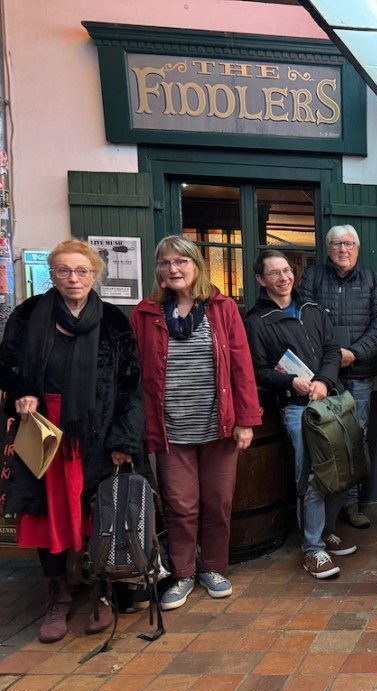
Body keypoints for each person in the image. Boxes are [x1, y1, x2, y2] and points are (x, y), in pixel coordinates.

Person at [0, 240, 144, 642]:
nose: (73, 278)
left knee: (101, 514)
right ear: (52, 274)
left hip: (98, 433)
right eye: (63, 270)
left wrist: (124, 439)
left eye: (81, 271)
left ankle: (102, 590)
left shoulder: (114, 320)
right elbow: (7, 366)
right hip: (44, 431)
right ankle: (58, 596)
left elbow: (130, 385)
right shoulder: (28, 314)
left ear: (94, 274)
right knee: (47, 513)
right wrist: (21, 395)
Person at [131, 235, 261, 611]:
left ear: (196, 265)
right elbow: (135, 373)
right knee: (180, 505)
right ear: (158, 269)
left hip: (218, 426)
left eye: (181, 261)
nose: (173, 269)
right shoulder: (145, 314)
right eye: (165, 263)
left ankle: (214, 567)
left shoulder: (222, 308)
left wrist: (246, 420)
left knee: (218, 502)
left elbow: (242, 366)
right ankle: (183, 573)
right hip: (170, 429)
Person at [244, 250, 357, 580]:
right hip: (297, 407)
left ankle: (326, 531)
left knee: (343, 468)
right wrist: (290, 382)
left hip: (331, 399)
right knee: (313, 475)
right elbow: (258, 370)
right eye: (274, 273)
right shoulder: (256, 321)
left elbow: (332, 351)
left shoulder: (311, 309)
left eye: (287, 271)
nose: (283, 278)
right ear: (261, 279)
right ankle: (312, 549)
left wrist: (323, 380)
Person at [298, 225, 377, 530]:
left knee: (354, 438)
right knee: (321, 438)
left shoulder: (372, 279)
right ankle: (322, 507)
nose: (343, 249)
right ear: (328, 248)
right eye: (337, 244)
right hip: (322, 376)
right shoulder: (313, 278)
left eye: (349, 244)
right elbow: (302, 321)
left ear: (357, 248)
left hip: (359, 373)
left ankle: (351, 504)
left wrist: (355, 353)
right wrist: (329, 358)